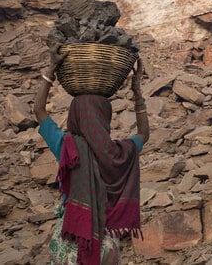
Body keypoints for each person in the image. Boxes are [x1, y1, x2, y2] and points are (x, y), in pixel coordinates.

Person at [34, 48, 149, 265]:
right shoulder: (119, 153)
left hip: (69, 239)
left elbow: (39, 110)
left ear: (74, 117)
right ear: (105, 117)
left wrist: (51, 69)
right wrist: (137, 92)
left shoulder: (67, 147)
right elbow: (144, 134)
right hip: (106, 244)